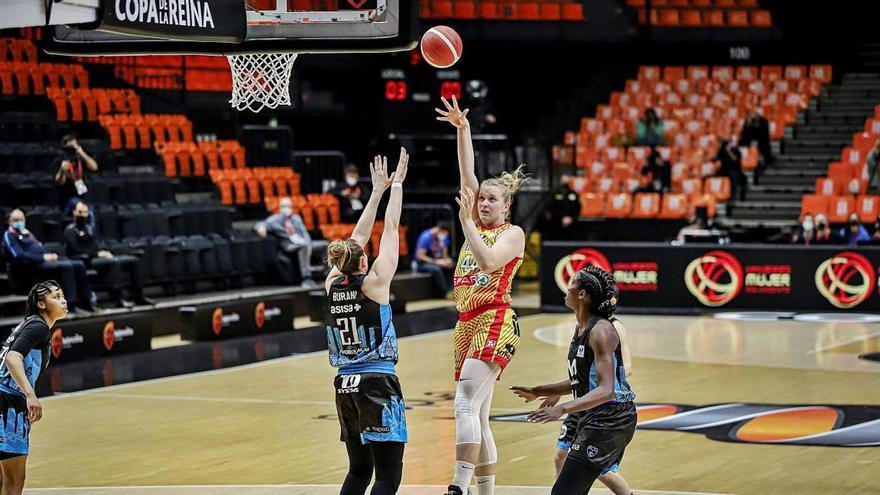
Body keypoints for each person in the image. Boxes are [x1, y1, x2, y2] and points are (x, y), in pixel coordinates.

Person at [436, 96, 527, 495]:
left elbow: (489, 262)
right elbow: (467, 172)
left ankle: (458, 486)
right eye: (482, 198)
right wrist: (463, 129)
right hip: (466, 322)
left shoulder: (512, 234)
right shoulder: (474, 216)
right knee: (480, 414)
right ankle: (486, 493)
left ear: (506, 206)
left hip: (495, 318)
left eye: (493, 199)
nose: (484, 203)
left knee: (463, 403)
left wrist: (465, 223)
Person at [324, 149, 409, 495]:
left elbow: (353, 243)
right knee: (388, 476)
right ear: (363, 264)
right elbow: (390, 228)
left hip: (344, 384)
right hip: (377, 382)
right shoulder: (375, 285)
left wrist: (375, 192)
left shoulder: (331, 284)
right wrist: (397, 186)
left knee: (359, 471)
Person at [510, 266, 636, 495]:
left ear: (582, 294)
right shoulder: (582, 327)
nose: (566, 287)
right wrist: (539, 391)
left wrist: (561, 409)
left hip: (611, 418)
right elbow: (580, 380)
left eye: (572, 283)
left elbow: (607, 390)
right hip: (594, 414)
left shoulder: (602, 331)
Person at [538, 288, 634, 495]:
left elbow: (626, 368)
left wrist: (603, 382)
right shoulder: (583, 326)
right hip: (581, 404)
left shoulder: (612, 328)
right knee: (560, 456)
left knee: (603, 471)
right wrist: (562, 391)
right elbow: (580, 372)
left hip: (604, 409)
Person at [0, 280, 67, 495]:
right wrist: (30, 396)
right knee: (14, 480)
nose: (63, 300)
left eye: (62, 295)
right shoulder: (38, 326)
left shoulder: (29, 324)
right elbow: (12, 358)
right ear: (41, 304)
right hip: (7, 402)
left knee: (2, 479)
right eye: (55, 297)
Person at [2, 209, 97, 314]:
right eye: (16, 219)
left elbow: (39, 247)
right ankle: (71, 304)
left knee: (78, 264)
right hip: (28, 267)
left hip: (41, 261)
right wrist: (43, 258)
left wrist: (49, 256)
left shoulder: (27, 233)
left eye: (21, 219)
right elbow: (18, 256)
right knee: (67, 266)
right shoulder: (9, 235)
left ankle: (87, 302)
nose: (19, 222)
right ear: (10, 221)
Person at [63, 201, 154, 307]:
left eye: (85, 212)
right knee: (114, 262)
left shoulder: (89, 229)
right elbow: (77, 250)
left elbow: (95, 246)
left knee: (133, 260)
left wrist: (102, 252)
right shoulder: (70, 231)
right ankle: (118, 299)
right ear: (74, 213)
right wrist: (97, 254)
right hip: (84, 260)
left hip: (95, 257)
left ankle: (139, 296)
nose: (82, 215)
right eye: (80, 212)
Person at [255, 197, 316, 287]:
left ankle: (329, 275)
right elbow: (261, 224)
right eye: (284, 206)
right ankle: (306, 277)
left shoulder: (297, 218)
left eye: (288, 206)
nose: (286, 208)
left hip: (302, 242)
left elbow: (305, 233)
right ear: (280, 207)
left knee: (326, 245)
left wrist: (309, 245)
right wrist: (260, 227)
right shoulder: (274, 220)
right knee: (304, 247)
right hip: (289, 245)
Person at [54, 134, 99, 214]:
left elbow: (94, 167)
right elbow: (60, 182)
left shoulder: (81, 159)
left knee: (90, 207)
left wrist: (82, 153)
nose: (72, 150)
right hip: (67, 198)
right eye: (70, 147)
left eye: (74, 147)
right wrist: (62, 170)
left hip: (83, 196)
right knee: (83, 208)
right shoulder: (60, 161)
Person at [412, 221, 454, 297]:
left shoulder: (443, 237)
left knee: (452, 265)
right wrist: (437, 262)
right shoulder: (426, 237)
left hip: (437, 260)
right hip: (422, 263)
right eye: (444, 233)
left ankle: (452, 290)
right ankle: (444, 293)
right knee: (436, 269)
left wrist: (446, 260)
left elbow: (445, 254)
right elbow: (420, 256)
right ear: (439, 230)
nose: (444, 236)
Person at [739, 109, 772, 183]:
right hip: (750, 144)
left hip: (762, 143)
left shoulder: (763, 121)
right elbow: (744, 136)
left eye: (753, 113)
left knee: (762, 153)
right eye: (750, 114)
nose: (752, 115)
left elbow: (764, 134)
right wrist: (748, 124)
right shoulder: (747, 122)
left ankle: (760, 169)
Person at [544, 176, 581, 241]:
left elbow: (577, 207)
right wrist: (559, 219)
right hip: (556, 224)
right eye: (563, 180)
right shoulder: (554, 193)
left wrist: (571, 218)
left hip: (571, 223)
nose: (565, 182)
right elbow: (550, 208)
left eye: (566, 180)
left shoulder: (573, 194)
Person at [714, 136, 745, 201]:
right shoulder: (722, 151)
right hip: (724, 170)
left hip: (734, 170)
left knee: (733, 176)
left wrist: (728, 151)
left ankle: (735, 195)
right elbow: (717, 159)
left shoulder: (736, 151)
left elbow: (735, 159)